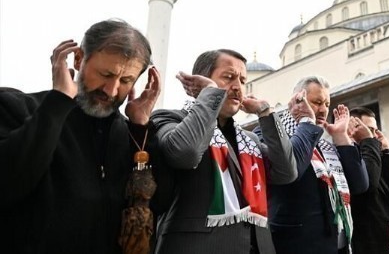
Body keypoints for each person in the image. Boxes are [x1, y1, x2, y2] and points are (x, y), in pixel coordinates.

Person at [0, 19, 161, 254]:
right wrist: (57, 104)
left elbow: (161, 201)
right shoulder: (17, 107)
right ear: (78, 59)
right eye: (105, 74)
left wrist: (141, 127)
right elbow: (9, 182)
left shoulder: (131, 135)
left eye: (126, 81)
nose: (112, 90)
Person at [150, 49, 297, 254]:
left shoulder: (249, 140)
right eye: (228, 77)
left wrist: (266, 113)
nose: (237, 87)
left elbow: (286, 172)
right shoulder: (169, 119)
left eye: (243, 81)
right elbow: (185, 153)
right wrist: (210, 94)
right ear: (199, 81)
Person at [263, 76, 369, 254]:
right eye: (317, 102)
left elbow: (359, 185)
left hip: (337, 245)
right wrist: (306, 123)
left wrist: (341, 137)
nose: (322, 110)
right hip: (296, 244)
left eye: (327, 104)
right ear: (298, 99)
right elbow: (291, 171)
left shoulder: (325, 143)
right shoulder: (272, 130)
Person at [348, 107, 389, 254]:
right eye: (369, 130)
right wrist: (368, 141)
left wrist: (386, 152)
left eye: (375, 130)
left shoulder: (372, 153)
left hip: (385, 244)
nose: (374, 135)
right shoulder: (350, 155)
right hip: (365, 244)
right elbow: (369, 184)